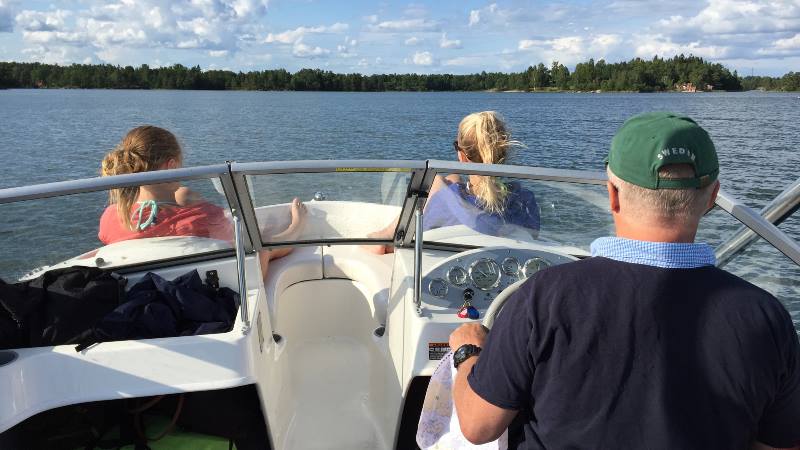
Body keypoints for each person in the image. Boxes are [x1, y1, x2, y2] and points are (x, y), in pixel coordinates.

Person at [448, 112, 800, 449]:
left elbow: (478, 426)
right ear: (710, 198)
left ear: (612, 194)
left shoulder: (545, 297)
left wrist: (469, 350)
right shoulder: (767, 319)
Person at [98, 125, 305, 275]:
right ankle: (297, 226)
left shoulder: (111, 217)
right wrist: (295, 223)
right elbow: (247, 247)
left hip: (140, 301)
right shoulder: (200, 217)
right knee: (262, 251)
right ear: (171, 166)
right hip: (200, 300)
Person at [367, 111, 539, 253]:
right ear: (504, 153)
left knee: (437, 180)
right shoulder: (525, 201)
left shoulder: (442, 201)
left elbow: (384, 248)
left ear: (461, 155)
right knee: (454, 178)